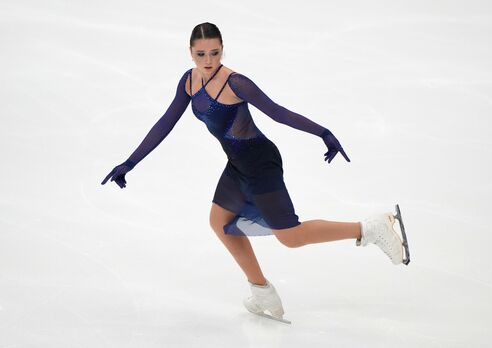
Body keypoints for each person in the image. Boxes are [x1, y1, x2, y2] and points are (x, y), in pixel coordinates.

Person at [101, 22, 409, 323]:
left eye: (215, 53)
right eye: (201, 54)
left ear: (222, 50)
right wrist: (130, 162)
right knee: (219, 222)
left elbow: (278, 112)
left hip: (261, 164)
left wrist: (323, 132)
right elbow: (165, 122)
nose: (208, 61)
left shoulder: (236, 83)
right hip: (237, 164)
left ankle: (370, 227)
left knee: (290, 237)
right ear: (191, 53)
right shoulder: (189, 81)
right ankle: (261, 291)